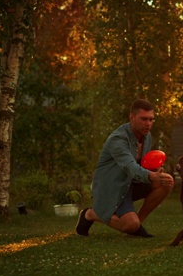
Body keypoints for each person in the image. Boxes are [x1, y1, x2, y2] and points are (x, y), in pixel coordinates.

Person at [75, 99, 174, 238]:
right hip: (112, 187)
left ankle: (138, 223)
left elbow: (141, 164)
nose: (148, 124)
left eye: (151, 119)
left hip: (130, 182)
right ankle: (90, 214)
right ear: (132, 117)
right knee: (130, 225)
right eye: (144, 119)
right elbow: (130, 166)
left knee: (167, 182)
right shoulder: (118, 139)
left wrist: (155, 172)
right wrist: (151, 176)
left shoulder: (147, 136)